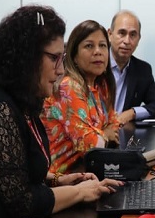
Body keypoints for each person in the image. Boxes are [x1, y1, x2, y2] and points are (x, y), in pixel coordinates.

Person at [0, 6, 118, 218]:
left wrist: (57, 180)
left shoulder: (23, 104)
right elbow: (21, 202)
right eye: (54, 58)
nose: (61, 69)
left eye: (62, 58)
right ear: (26, 59)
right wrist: (77, 193)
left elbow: (18, 175)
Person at [43, 20, 120, 173]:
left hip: (88, 171)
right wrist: (105, 134)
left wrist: (100, 134)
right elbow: (89, 146)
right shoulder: (68, 87)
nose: (97, 51)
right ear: (74, 56)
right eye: (89, 46)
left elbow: (114, 123)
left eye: (103, 45)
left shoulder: (102, 85)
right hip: (61, 176)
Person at [107, 10, 155, 125]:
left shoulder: (141, 70)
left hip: (121, 135)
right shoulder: (96, 63)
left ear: (139, 39)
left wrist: (132, 113)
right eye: (122, 33)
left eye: (133, 35)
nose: (127, 41)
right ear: (110, 34)